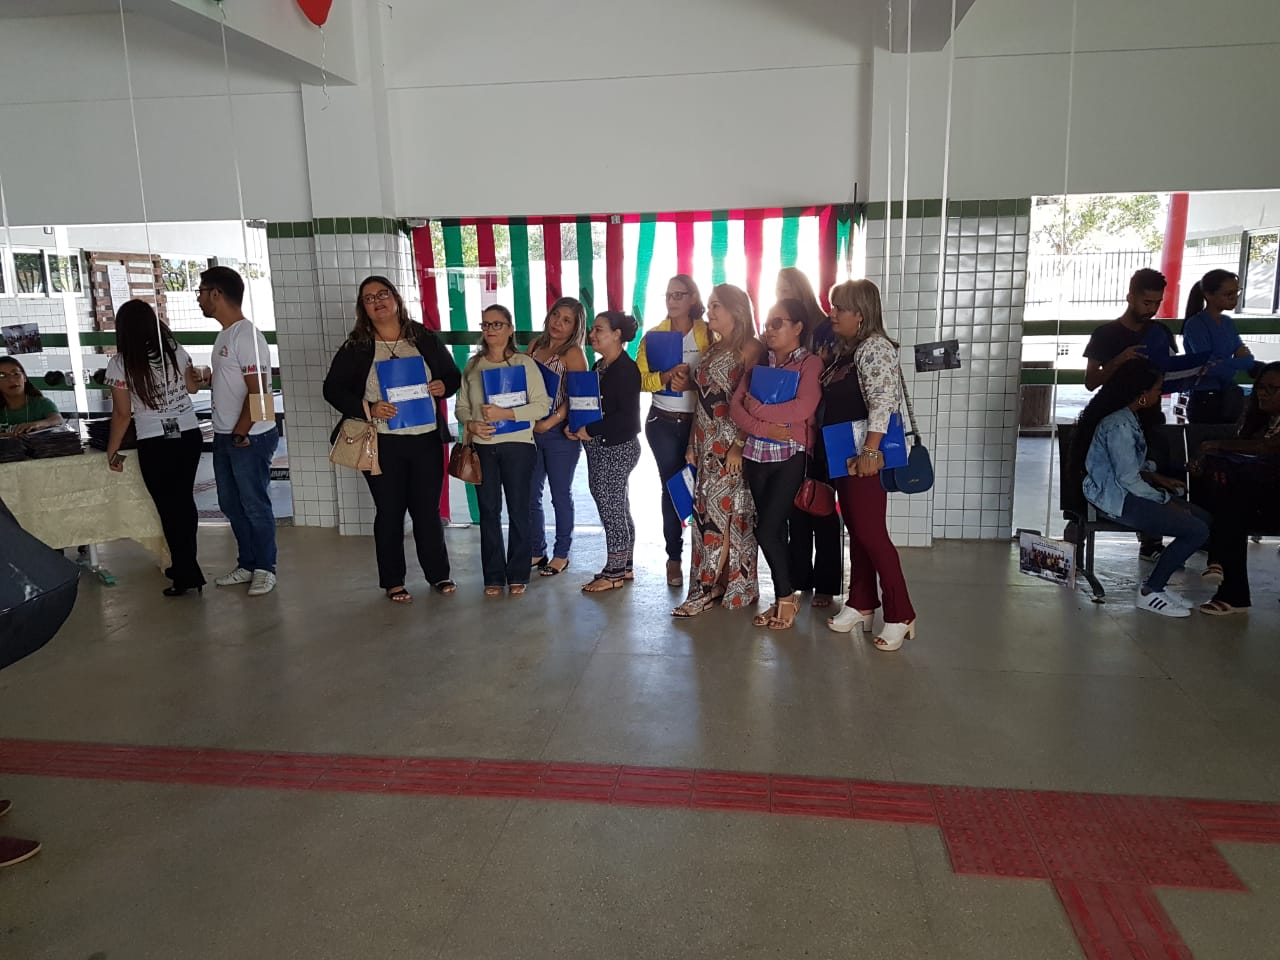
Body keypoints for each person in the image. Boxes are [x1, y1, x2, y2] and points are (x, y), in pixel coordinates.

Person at [323, 276, 461, 603]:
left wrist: (443, 386)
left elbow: (452, 375)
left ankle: (438, 574)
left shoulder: (421, 336)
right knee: (389, 512)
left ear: (396, 298)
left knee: (427, 512)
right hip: (381, 442)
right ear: (363, 308)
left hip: (426, 439)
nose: (378, 301)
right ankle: (393, 581)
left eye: (383, 294)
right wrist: (367, 408)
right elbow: (332, 389)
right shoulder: (357, 345)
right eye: (369, 298)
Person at [823, 279, 917, 651]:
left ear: (860, 315)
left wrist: (871, 451)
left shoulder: (875, 347)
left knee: (872, 533)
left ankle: (901, 612)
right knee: (857, 529)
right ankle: (861, 601)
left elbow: (882, 402)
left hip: (865, 455)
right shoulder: (847, 351)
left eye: (840, 309)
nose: (833, 314)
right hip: (844, 453)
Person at [1073, 361, 1209, 618]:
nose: (1160, 394)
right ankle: (1151, 590)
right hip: (1117, 500)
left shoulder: (1128, 417)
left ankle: (1158, 584)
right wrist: (1163, 500)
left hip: (1127, 492)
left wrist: (1158, 477)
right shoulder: (1119, 424)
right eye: (1157, 389)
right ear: (1142, 394)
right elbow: (1127, 479)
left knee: (1203, 519)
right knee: (1196, 530)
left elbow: (1130, 465)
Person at [730, 299, 823, 631]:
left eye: (777, 323)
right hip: (756, 454)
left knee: (766, 529)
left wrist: (757, 409)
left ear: (797, 327)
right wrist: (764, 427)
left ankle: (786, 597)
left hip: (791, 455)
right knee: (774, 530)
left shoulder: (809, 364)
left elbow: (803, 408)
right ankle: (784, 595)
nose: (769, 330)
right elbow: (736, 407)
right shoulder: (759, 363)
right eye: (767, 324)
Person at [104, 299, 206, 596]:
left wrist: (113, 451)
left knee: (169, 508)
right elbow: (193, 388)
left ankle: (186, 572)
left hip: (154, 442)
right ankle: (186, 565)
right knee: (183, 502)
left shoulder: (120, 363)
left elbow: (122, 414)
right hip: (188, 434)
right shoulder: (175, 350)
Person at [672, 284, 763, 618]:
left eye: (716, 306)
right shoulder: (714, 348)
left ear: (736, 310)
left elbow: (754, 402)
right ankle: (720, 584)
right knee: (705, 516)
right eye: (710, 306)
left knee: (722, 517)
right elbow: (703, 401)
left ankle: (707, 589)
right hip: (706, 443)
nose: (709, 312)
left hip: (731, 447)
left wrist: (739, 445)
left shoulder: (752, 348)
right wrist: (691, 443)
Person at [1082, 268, 1178, 563]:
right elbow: (1091, 381)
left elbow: (1170, 371)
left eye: (1157, 303)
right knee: (1109, 471)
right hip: (1110, 412)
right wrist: (1119, 360)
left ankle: (1151, 539)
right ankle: (1084, 527)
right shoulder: (1106, 334)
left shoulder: (1160, 332)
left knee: (1152, 469)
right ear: (1130, 297)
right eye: (1147, 302)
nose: (1152, 309)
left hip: (1149, 415)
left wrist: (1167, 383)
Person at [455, 304, 551, 596]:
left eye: (497, 324)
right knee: (488, 511)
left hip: (518, 445)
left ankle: (519, 573)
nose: (490, 329)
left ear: (510, 329)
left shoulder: (524, 364)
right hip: (483, 448)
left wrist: (506, 414)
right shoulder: (473, 366)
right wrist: (471, 424)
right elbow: (461, 407)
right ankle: (493, 576)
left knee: (519, 510)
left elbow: (542, 405)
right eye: (486, 324)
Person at [197, 266, 279, 597]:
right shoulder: (225, 335)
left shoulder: (246, 336)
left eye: (201, 292)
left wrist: (241, 432)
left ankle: (266, 568)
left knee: (255, 504)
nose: (199, 299)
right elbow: (235, 383)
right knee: (231, 504)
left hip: (250, 436)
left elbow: (261, 393)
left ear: (216, 294)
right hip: (225, 434)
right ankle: (247, 563)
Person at [636, 274, 711, 587]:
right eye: (668, 295)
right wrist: (665, 378)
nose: (672, 300)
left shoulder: (709, 333)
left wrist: (691, 384)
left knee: (703, 489)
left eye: (679, 294)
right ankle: (674, 557)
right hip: (662, 422)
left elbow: (723, 375)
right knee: (672, 488)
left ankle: (706, 557)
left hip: (700, 424)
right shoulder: (654, 336)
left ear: (693, 298)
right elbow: (640, 380)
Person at [776, 268, 842, 607]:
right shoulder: (781, 332)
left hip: (825, 430)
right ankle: (800, 579)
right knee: (795, 507)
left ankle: (827, 584)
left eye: (787, 289)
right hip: (792, 434)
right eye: (778, 290)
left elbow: (840, 375)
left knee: (823, 505)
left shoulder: (827, 328)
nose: (782, 295)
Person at [1194, 362, 1280, 615]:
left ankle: (1220, 567)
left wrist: (1216, 445)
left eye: (1272, 389)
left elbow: (1266, 448)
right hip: (1256, 502)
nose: (1263, 393)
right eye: (1260, 387)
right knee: (1230, 499)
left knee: (1231, 501)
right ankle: (1229, 586)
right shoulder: (1259, 421)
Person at [575, 311, 642, 593]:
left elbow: (627, 419)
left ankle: (614, 573)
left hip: (616, 448)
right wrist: (578, 426)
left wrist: (590, 429)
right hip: (601, 446)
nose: (592, 335)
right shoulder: (600, 365)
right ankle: (623, 565)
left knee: (611, 508)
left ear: (617, 335)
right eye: (592, 330)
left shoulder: (626, 370)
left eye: (599, 329)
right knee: (618, 506)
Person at [526, 297, 589, 577]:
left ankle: (561, 553)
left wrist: (551, 421)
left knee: (560, 494)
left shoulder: (574, 353)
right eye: (555, 315)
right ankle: (536, 550)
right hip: (531, 429)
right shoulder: (534, 346)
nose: (558, 323)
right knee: (530, 493)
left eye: (566, 320)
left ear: (575, 327)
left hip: (559, 432)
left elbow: (578, 396)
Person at [1181, 269, 1257, 425]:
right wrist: (1234, 362)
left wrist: (1222, 362)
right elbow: (1208, 365)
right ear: (1209, 295)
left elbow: (1248, 361)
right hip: (1204, 397)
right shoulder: (1195, 324)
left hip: (1228, 395)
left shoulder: (1227, 322)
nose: (1234, 298)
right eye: (1228, 294)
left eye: (1237, 292)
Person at [0, 357, 63, 434]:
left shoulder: (41, 403)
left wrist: (37, 424)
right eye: (2, 376)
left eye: (16, 374)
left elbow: (57, 419)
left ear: (24, 377)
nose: (11, 380)